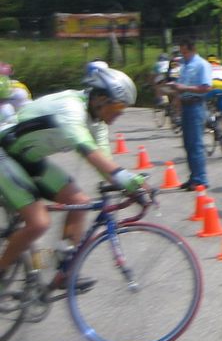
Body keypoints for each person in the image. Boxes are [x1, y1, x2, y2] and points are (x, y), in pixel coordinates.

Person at [0, 65, 147, 294]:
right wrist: (128, 179)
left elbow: (105, 163)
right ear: (100, 99)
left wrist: (133, 188)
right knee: (39, 223)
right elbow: (87, 149)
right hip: (4, 152)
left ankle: (63, 273)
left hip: (27, 158)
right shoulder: (71, 107)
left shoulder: (97, 122)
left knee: (80, 202)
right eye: (119, 107)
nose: (120, 113)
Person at [171, 39, 210, 190]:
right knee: (188, 144)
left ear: (193, 50)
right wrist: (177, 97)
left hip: (196, 105)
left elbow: (206, 87)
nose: (183, 55)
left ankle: (200, 179)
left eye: (185, 52)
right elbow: (182, 86)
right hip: (186, 105)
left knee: (195, 143)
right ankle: (193, 177)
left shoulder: (201, 64)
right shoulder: (185, 65)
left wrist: (185, 88)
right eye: (182, 53)